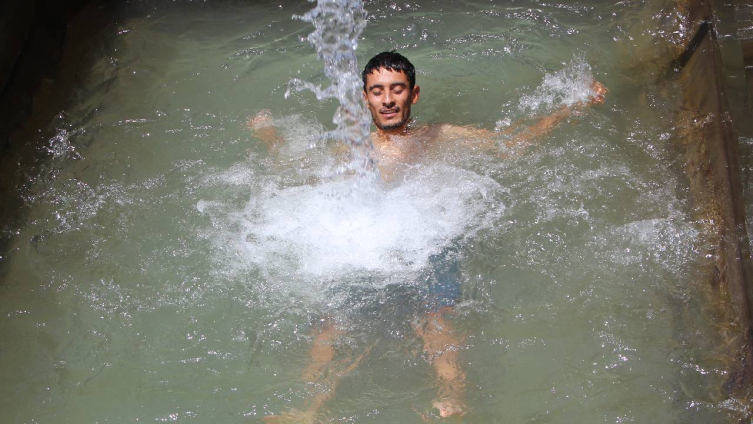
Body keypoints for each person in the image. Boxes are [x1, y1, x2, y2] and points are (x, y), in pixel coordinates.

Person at [251, 51, 606, 421]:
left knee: (437, 318)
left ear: (414, 94)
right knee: (330, 323)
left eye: (397, 89)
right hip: (371, 244)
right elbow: (298, 169)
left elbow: (512, 144)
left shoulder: (441, 136)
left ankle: (451, 401)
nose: (388, 100)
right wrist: (268, 134)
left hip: (431, 237)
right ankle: (307, 411)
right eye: (377, 91)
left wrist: (571, 107)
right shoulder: (350, 149)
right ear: (365, 98)